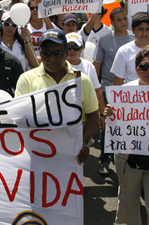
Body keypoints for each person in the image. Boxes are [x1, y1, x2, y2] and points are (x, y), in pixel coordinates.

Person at [104, 46, 149, 225]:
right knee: (128, 203)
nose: (148, 70)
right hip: (129, 158)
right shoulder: (124, 92)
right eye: (143, 66)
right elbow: (114, 125)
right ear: (136, 68)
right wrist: (109, 113)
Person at [15, 28, 100, 165]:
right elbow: (19, 118)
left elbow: (93, 114)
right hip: (36, 153)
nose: (52, 58)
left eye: (58, 53)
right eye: (47, 53)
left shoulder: (81, 80)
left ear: (66, 53)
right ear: (40, 54)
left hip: (70, 155)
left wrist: (83, 142)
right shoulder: (26, 79)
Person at [93, 7, 134, 174]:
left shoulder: (134, 39)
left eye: (125, 18)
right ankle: (105, 159)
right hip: (108, 90)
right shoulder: (104, 40)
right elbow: (97, 66)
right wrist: (95, 91)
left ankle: (127, 160)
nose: (123, 22)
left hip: (130, 93)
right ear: (112, 22)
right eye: (119, 19)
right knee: (107, 125)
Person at [111, 12, 149, 85]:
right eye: (141, 29)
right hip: (132, 95)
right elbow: (117, 83)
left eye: (148, 29)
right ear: (133, 30)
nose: (144, 33)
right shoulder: (123, 51)